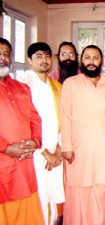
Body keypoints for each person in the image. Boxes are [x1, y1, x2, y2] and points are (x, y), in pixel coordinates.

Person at [60, 44, 105, 225]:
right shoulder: (71, 84)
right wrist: (66, 147)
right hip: (78, 152)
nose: (91, 62)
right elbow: (65, 116)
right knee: (77, 197)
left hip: (103, 153)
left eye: (95, 58)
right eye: (87, 58)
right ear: (81, 61)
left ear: (101, 61)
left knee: (101, 195)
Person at [19, 42, 65, 225]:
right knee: (38, 197)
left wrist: (58, 151)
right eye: (38, 56)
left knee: (52, 198)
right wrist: (45, 153)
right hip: (36, 154)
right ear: (29, 60)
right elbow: (23, 122)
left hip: (54, 152)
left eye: (47, 56)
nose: (44, 60)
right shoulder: (23, 85)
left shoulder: (56, 86)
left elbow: (63, 118)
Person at [0, 38, 44, 224]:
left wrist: (35, 142)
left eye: (6, 54)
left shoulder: (21, 87)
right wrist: (6, 147)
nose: (3, 58)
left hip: (24, 166)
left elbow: (35, 119)